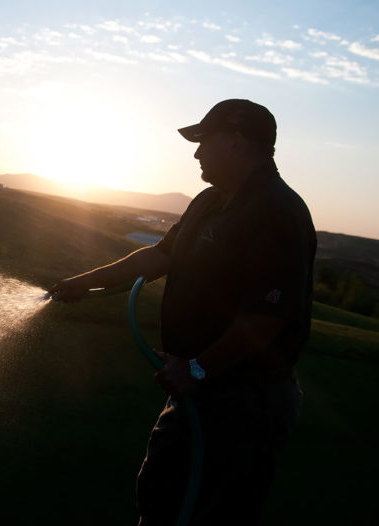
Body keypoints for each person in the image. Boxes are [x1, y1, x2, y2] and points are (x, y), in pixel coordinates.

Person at [48, 99, 316, 525]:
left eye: (203, 142)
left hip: (246, 402)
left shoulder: (276, 212)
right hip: (198, 388)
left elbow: (266, 319)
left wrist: (198, 370)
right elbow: (160, 256)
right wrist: (85, 281)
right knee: (157, 498)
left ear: (235, 142)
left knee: (213, 514)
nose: (195, 153)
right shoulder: (209, 201)